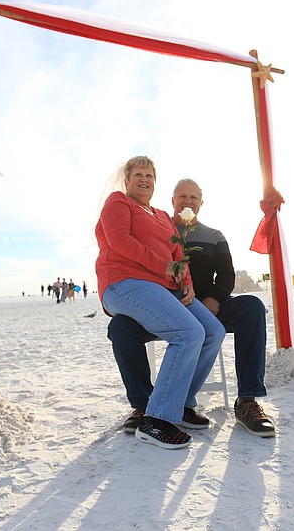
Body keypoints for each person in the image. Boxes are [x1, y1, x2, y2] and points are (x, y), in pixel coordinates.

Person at [109, 178, 276, 439]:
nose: (188, 201)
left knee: (252, 307)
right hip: (162, 305)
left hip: (207, 307)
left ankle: (247, 400)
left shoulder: (214, 236)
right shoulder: (157, 228)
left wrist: (216, 299)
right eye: (182, 197)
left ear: (201, 203)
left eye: (193, 198)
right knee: (119, 326)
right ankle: (143, 405)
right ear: (172, 201)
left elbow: (226, 275)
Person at [96, 157, 225, 449]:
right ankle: (156, 419)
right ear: (127, 180)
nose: (144, 180)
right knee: (188, 333)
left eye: (149, 175)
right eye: (138, 175)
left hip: (165, 287)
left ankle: (178, 405)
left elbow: (179, 254)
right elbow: (120, 242)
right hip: (124, 282)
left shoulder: (163, 215)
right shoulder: (118, 203)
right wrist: (164, 268)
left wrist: (187, 282)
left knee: (212, 331)